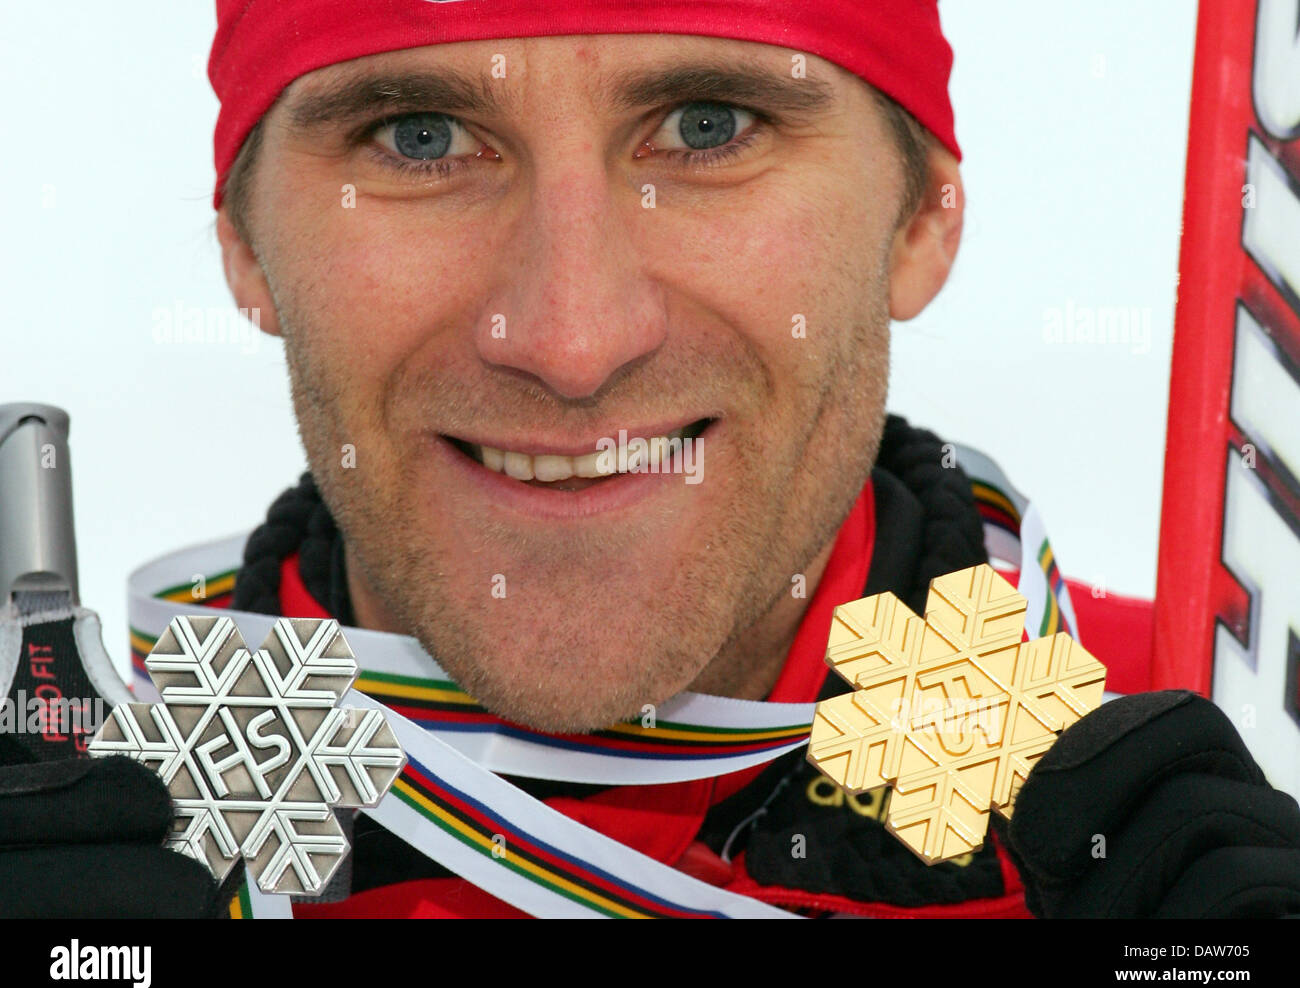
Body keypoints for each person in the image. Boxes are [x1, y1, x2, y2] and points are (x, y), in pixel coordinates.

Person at [3, 0, 1299, 919]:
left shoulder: (1203, 770)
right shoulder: (103, 830)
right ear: (241, 239)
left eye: (707, 123)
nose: (571, 340)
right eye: (420, 137)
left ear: (920, 215)